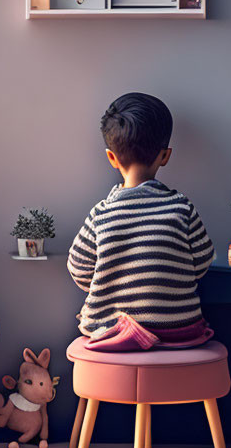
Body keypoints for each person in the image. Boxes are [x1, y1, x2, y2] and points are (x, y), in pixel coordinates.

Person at [68, 92, 214, 349]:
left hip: (109, 332)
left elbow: (78, 271)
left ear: (111, 158)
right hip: (180, 332)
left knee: (94, 318)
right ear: (165, 156)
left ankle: (127, 332)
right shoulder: (182, 207)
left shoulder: (101, 214)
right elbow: (202, 264)